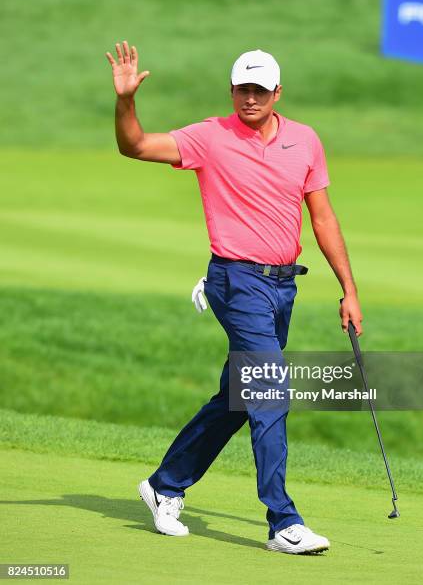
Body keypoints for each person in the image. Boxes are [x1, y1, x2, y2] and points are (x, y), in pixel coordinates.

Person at [106, 41, 363, 555]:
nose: (250, 98)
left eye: (260, 89)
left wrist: (349, 290)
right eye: (243, 88)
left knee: (239, 398)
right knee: (269, 389)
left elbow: (323, 217)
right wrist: (126, 101)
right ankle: (283, 521)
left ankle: (164, 485)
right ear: (232, 90)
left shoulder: (306, 142)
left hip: (283, 284)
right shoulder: (209, 137)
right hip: (235, 283)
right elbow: (134, 146)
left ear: (277, 92)